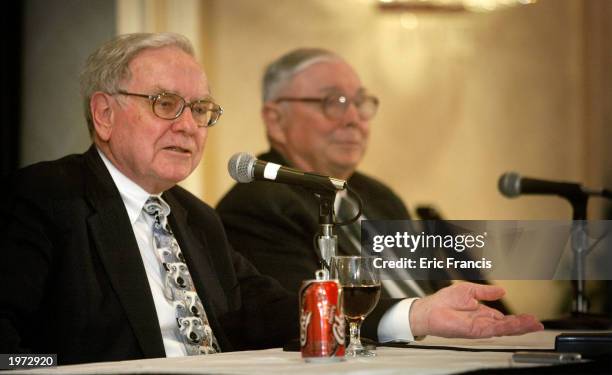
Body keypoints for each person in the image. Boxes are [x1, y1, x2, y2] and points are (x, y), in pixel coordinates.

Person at [0, 35, 540, 366]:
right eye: (166, 104)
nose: (188, 126)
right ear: (104, 114)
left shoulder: (196, 219)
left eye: (201, 109)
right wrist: (57, 369)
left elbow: (275, 313)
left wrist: (415, 313)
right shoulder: (45, 198)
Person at [216, 48, 531, 338]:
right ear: (275, 119)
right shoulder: (257, 205)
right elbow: (301, 321)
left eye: (360, 103)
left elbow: (435, 292)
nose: (354, 119)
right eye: (333, 102)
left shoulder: (379, 196)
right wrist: (413, 319)